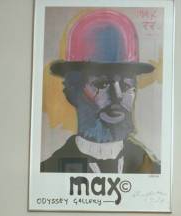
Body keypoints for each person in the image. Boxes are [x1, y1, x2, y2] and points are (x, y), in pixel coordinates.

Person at [41, 9, 160, 174]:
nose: (117, 95)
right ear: (72, 91)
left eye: (126, 85)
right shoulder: (50, 170)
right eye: (102, 84)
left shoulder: (152, 169)